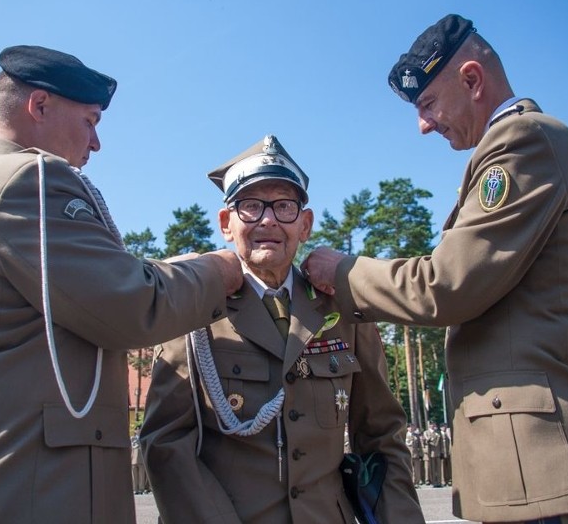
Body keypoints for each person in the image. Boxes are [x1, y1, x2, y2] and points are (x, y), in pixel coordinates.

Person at [301, 13, 568, 523]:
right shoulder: (515, 149)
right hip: (534, 466)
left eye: (428, 103)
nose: (423, 125)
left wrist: (342, 270)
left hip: (549, 463)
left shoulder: (524, 141)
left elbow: (447, 285)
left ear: (472, 80)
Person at [0, 45, 243, 524]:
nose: (95, 144)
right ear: (39, 106)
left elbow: (97, 285)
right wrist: (217, 270)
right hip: (5, 491)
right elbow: (132, 305)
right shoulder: (26, 181)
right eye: (91, 121)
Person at [141, 135, 424, 523]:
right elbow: (166, 443)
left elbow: (381, 436)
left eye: (284, 207)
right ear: (226, 223)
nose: (268, 220)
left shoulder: (341, 310)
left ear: (304, 225)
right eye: (251, 206)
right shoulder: (193, 308)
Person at [130, 424, 150, 494]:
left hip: (141, 459)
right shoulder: (132, 438)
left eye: (140, 429)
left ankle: (141, 489)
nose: (139, 430)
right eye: (137, 429)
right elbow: (131, 448)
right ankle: (135, 489)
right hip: (133, 459)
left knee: (142, 475)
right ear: (135, 430)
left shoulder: (143, 438)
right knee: (134, 475)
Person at [423, 420, 442, 487]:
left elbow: (440, 443)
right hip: (431, 452)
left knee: (439, 468)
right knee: (432, 468)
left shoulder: (438, 432)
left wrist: (441, 451)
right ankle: (433, 482)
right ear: (429, 425)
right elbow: (426, 440)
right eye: (432, 424)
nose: (433, 426)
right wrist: (433, 437)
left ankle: (439, 481)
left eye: (434, 424)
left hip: (438, 452)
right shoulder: (426, 432)